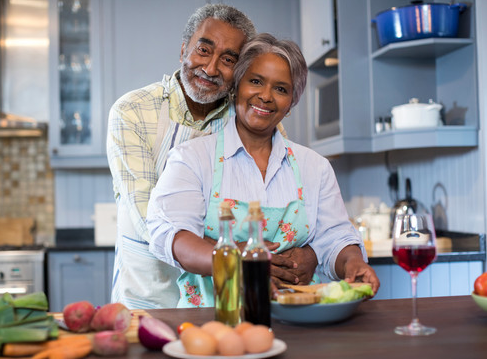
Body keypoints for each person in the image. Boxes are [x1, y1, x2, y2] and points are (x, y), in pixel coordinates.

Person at [107, 4, 318, 309]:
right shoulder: (133, 111)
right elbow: (150, 220)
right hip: (149, 296)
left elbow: (280, 207)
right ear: (183, 50)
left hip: (219, 299)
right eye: (203, 50)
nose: (210, 68)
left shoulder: (250, 115)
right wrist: (235, 257)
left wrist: (308, 253)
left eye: (229, 59)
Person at [146, 33, 380, 307]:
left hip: (298, 318)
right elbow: (173, 236)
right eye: (255, 81)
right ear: (236, 87)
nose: (266, 96)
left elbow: (335, 237)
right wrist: (235, 262)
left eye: (281, 89)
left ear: (292, 102)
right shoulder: (192, 158)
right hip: (212, 319)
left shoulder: (314, 167)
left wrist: (353, 262)